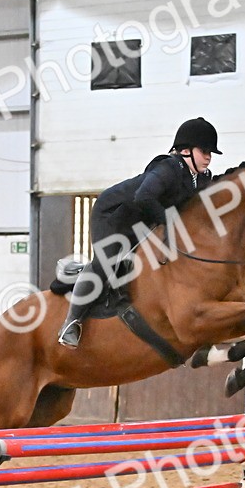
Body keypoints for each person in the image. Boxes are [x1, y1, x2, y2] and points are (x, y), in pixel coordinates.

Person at [57, 117, 222, 348]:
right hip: (114, 215)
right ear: (185, 151)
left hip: (144, 220)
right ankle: (71, 323)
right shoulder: (168, 168)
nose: (208, 157)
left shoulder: (202, 177)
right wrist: (172, 222)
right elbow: (144, 197)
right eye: (204, 151)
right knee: (108, 263)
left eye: (210, 153)